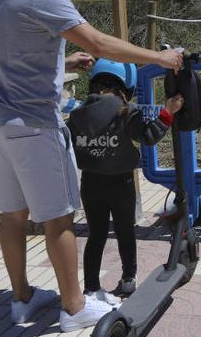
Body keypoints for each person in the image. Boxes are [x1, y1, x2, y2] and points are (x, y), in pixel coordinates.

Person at [0, 0, 183, 332]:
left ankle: (21, 298)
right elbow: (99, 42)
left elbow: (11, 52)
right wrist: (161, 59)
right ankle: (74, 308)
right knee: (59, 219)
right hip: (35, 125)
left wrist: (63, 63)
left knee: (12, 217)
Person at [68, 60, 184, 301]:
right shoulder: (126, 111)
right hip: (121, 184)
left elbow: (66, 144)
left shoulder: (77, 114)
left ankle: (91, 288)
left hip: (90, 184)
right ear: (126, 86)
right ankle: (128, 280)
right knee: (124, 233)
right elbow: (148, 136)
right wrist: (167, 113)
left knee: (96, 235)